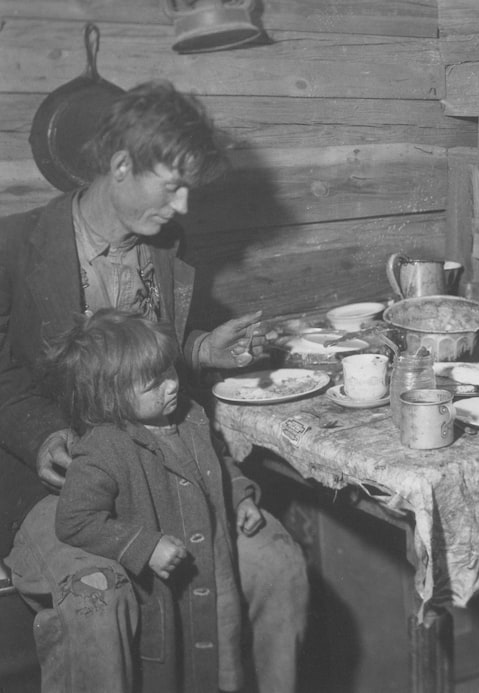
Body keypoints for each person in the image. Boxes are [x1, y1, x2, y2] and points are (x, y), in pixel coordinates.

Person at [0, 79, 308, 693]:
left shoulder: (164, 245)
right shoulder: (13, 248)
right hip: (56, 488)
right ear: (120, 167)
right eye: (173, 186)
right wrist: (40, 437)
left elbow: (142, 364)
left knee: (277, 564)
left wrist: (199, 349)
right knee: (100, 598)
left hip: (165, 469)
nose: (185, 206)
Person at [45, 309, 259, 692]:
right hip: (168, 593)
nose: (171, 386)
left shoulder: (191, 416)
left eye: (170, 371)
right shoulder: (104, 448)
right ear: (110, 398)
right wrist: (145, 546)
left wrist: (241, 496)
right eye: (153, 383)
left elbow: (220, 461)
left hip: (217, 572)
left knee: (225, 662)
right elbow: (75, 520)